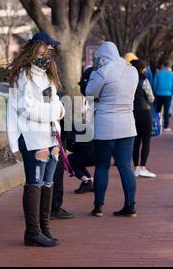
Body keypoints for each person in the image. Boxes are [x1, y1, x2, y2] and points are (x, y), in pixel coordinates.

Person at [7, 41, 65, 247]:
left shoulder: (47, 77)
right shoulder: (23, 77)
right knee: (35, 182)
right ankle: (32, 232)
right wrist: (52, 111)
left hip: (50, 137)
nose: (44, 57)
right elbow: (28, 109)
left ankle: (44, 227)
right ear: (30, 53)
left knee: (48, 182)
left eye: (47, 53)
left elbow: (57, 105)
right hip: (32, 138)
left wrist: (55, 111)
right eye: (40, 53)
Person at [86, 41, 138, 218]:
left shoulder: (102, 71)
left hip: (105, 125)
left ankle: (98, 206)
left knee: (102, 166)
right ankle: (130, 205)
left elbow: (90, 93)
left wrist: (94, 72)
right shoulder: (133, 71)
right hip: (128, 125)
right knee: (125, 166)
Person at [28, 32, 74, 220]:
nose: (51, 51)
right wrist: (55, 111)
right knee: (41, 178)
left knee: (52, 176)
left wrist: (59, 111)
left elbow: (54, 101)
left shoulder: (49, 73)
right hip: (39, 135)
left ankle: (50, 210)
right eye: (48, 47)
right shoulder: (29, 76)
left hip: (52, 129)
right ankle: (44, 214)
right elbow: (33, 107)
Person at [66, 66, 96, 193]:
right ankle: (90, 181)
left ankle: (86, 180)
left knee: (70, 160)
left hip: (92, 149)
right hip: (98, 147)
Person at [131, 59, 156, 178]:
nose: (146, 69)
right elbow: (151, 98)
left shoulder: (128, 81)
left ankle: (135, 168)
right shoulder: (144, 81)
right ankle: (143, 167)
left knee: (135, 141)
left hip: (132, 113)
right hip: (144, 112)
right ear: (140, 69)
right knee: (146, 141)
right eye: (144, 67)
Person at [153, 61, 173, 132]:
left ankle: (156, 125)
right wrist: (172, 92)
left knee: (157, 110)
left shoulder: (158, 73)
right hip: (168, 94)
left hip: (158, 94)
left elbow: (154, 83)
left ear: (163, 65)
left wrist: (155, 91)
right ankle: (165, 127)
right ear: (169, 66)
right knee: (166, 111)